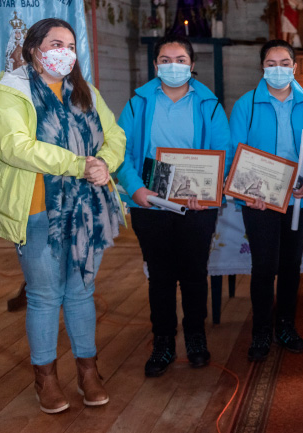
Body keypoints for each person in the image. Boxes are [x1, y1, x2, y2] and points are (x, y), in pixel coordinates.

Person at [0, 18, 125, 413]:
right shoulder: (10, 91)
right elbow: (16, 146)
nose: (65, 51)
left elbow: (115, 136)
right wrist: (78, 163)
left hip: (86, 210)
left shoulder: (84, 91)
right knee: (45, 297)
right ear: (34, 49)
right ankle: (45, 379)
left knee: (81, 291)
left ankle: (87, 371)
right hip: (37, 210)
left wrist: (103, 163)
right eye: (55, 43)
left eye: (70, 44)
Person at [114, 35, 231, 378]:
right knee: (160, 276)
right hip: (150, 201)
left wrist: (207, 191)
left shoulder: (209, 104)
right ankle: (163, 341)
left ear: (192, 65)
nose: (173, 65)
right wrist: (135, 189)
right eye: (165, 59)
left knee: (195, 274)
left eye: (180, 59)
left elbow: (222, 152)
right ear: (155, 65)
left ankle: (195, 336)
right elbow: (120, 153)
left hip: (197, 204)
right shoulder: (138, 103)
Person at [227, 39, 303, 362]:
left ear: (295, 67)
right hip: (259, 198)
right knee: (263, 266)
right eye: (271, 64)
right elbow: (234, 153)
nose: (278, 69)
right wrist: (247, 191)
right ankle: (260, 332)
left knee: (290, 265)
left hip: (301, 197)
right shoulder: (246, 105)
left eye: (285, 63)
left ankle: (286, 326)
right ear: (262, 68)